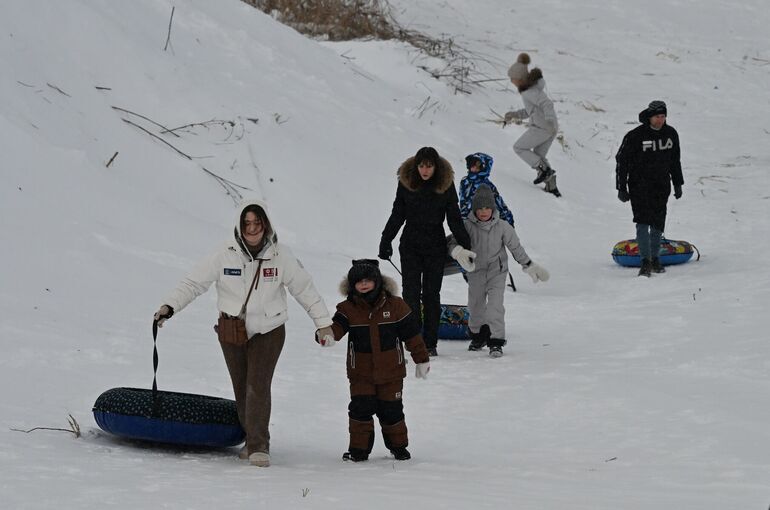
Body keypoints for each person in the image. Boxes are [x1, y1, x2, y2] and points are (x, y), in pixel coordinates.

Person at [153, 199, 335, 467]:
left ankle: (259, 446)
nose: (252, 228)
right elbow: (193, 283)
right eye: (247, 223)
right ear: (239, 226)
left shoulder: (281, 255)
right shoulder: (223, 254)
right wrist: (169, 307)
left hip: (269, 330)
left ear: (266, 225)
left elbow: (304, 288)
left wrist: (323, 323)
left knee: (257, 385)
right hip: (232, 331)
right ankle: (251, 438)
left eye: (257, 223)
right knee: (241, 387)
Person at [320, 259, 430, 462]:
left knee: (392, 410)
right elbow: (337, 327)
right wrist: (328, 335)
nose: (363, 284)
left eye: (368, 280)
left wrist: (421, 359)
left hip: (391, 372)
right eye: (358, 281)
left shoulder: (396, 306)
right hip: (361, 373)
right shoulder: (347, 308)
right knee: (360, 410)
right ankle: (358, 451)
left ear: (378, 281)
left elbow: (412, 335)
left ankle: (399, 448)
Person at [378, 146, 474, 357]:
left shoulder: (445, 184)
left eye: (429, 166)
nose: (425, 170)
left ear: (436, 167)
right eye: (421, 166)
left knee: (431, 295)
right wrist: (386, 240)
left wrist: (466, 244)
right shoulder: (406, 183)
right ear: (416, 166)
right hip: (410, 245)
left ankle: (430, 343)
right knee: (411, 294)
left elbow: (454, 218)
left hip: (435, 246)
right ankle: (414, 340)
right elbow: (397, 214)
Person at [448, 185, 550, 357]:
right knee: (475, 306)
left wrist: (528, 264)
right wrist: (458, 252)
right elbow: (452, 243)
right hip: (475, 271)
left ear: (493, 208)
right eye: (480, 208)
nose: (483, 212)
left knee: (495, 306)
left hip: (497, 271)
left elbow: (515, 247)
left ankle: (496, 341)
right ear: (474, 209)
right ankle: (478, 336)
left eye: (487, 208)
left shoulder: (503, 226)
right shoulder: (466, 225)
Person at [615, 100, 683, 277]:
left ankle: (655, 259)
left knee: (658, 223)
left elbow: (675, 161)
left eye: (663, 116)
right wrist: (621, 187)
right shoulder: (635, 136)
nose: (660, 120)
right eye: (657, 116)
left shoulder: (671, 134)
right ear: (650, 117)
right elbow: (622, 162)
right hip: (639, 186)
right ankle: (645, 261)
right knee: (643, 222)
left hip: (661, 185)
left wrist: (678, 183)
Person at [504, 52, 561, 197]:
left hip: (543, 127)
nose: (511, 81)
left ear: (519, 79)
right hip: (550, 128)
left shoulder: (529, 92)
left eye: (512, 78)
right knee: (539, 155)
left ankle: (543, 169)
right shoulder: (530, 91)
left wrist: (548, 118)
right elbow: (532, 111)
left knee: (519, 147)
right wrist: (515, 114)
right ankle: (551, 186)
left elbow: (547, 104)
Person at [459, 152, 515, 226]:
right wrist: (462, 218)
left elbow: (499, 203)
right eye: (472, 165)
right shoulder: (465, 182)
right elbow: (463, 201)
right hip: (467, 221)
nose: (474, 168)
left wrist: (508, 221)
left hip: (484, 223)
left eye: (478, 166)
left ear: (484, 168)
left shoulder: (487, 185)